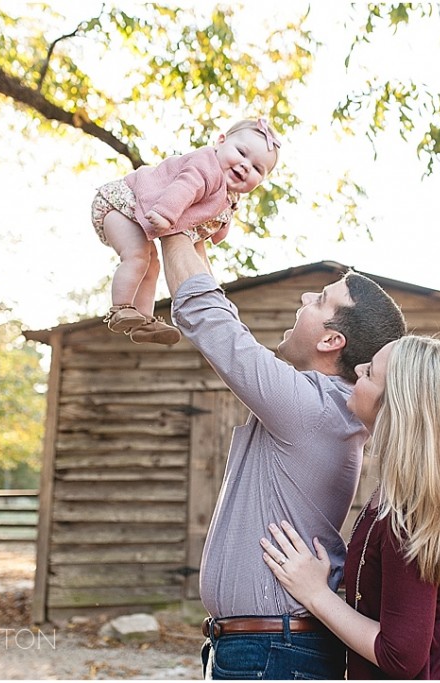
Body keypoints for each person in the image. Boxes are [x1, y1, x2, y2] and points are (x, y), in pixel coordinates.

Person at [157, 232, 408, 679]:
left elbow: (212, 322)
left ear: (332, 341)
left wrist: (171, 222)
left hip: (275, 652)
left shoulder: (313, 409)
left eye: (322, 299)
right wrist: (196, 237)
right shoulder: (321, 407)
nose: (306, 295)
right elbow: (218, 316)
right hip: (269, 647)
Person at [261, 335, 440, 680]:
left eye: (370, 373)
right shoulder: (403, 495)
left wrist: (316, 594)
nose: (359, 367)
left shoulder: (410, 514)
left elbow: (400, 655)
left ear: (395, 407)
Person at [91, 117, 281, 344]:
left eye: (258, 169)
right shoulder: (205, 166)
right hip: (120, 204)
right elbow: (184, 188)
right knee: (137, 255)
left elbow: (218, 215)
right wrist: (165, 214)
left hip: (136, 215)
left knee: (152, 265)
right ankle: (120, 309)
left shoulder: (230, 193)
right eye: (241, 152)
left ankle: (142, 321)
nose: (245, 165)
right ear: (221, 141)